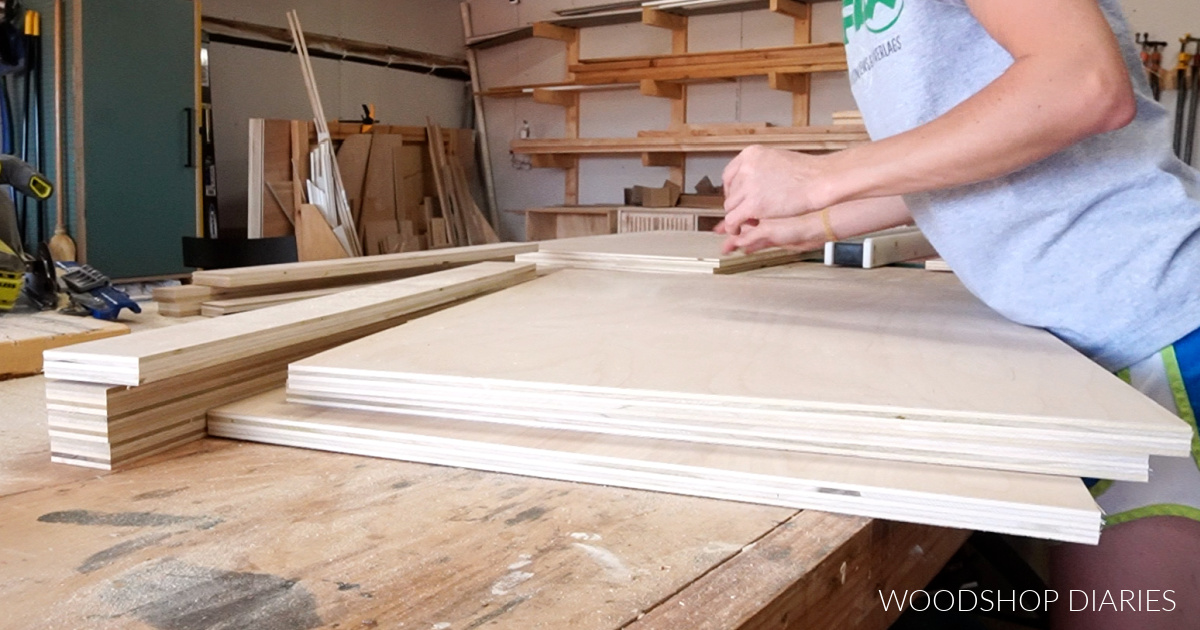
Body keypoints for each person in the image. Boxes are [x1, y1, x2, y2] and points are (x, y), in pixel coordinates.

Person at [717, 1, 1200, 628]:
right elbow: (969, 160)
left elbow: (1083, 83)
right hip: (1083, 349)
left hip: (1157, 322)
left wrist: (823, 176)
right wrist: (811, 224)